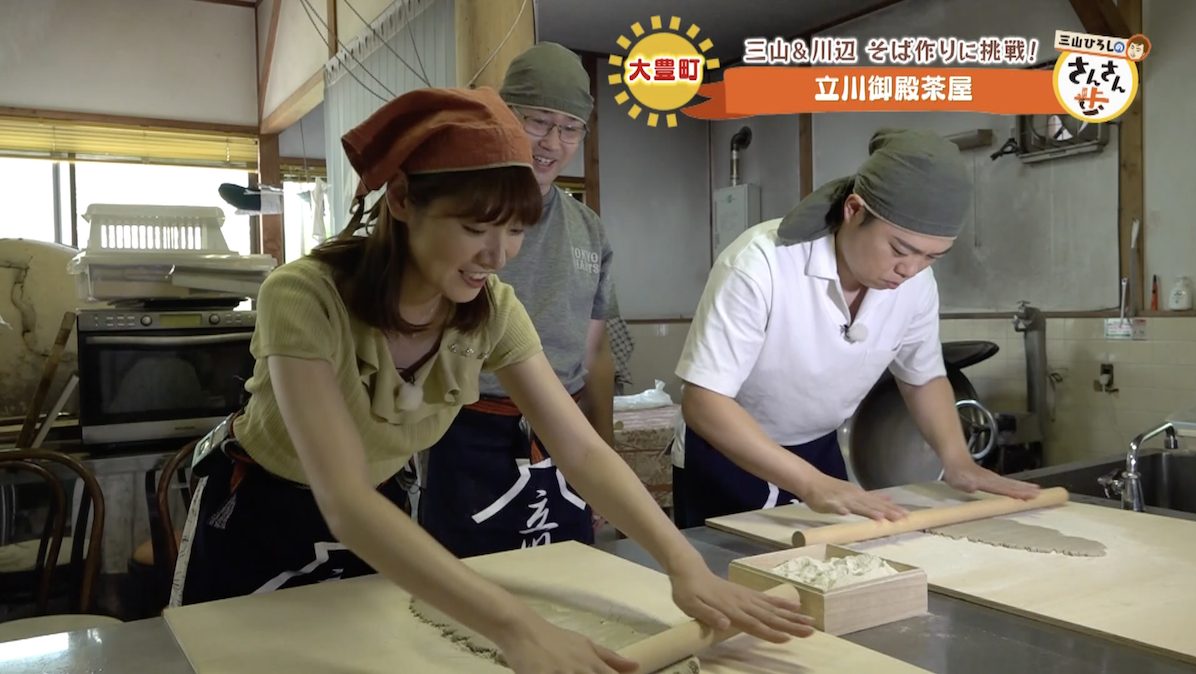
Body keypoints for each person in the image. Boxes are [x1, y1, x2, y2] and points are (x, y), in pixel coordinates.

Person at [169, 86, 811, 673]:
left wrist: (683, 565)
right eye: (475, 228)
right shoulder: (305, 296)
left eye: (515, 230)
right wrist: (516, 626)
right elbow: (343, 499)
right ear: (402, 200)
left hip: (382, 513)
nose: (497, 255)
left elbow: (581, 450)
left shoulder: (492, 310)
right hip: (257, 511)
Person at [672, 128, 1042, 528]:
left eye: (932, 257)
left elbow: (922, 377)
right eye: (899, 249)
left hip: (818, 450)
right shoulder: (761, 264)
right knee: (725, 563)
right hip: (726, 452)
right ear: (853, 210)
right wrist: (810, 483)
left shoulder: (916, 283)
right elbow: (704, 402)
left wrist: (958, 461)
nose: (911, 269)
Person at [419, 43, 623, 556]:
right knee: (465, 582)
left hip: (564, 431)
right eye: (538, 122)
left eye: (570, 128)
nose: (552, 143)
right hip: (467, 427)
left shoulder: (588, 229)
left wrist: (606, 450)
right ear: (506, 116)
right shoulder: (455, 212)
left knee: (571, 572)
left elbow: (595, 353)